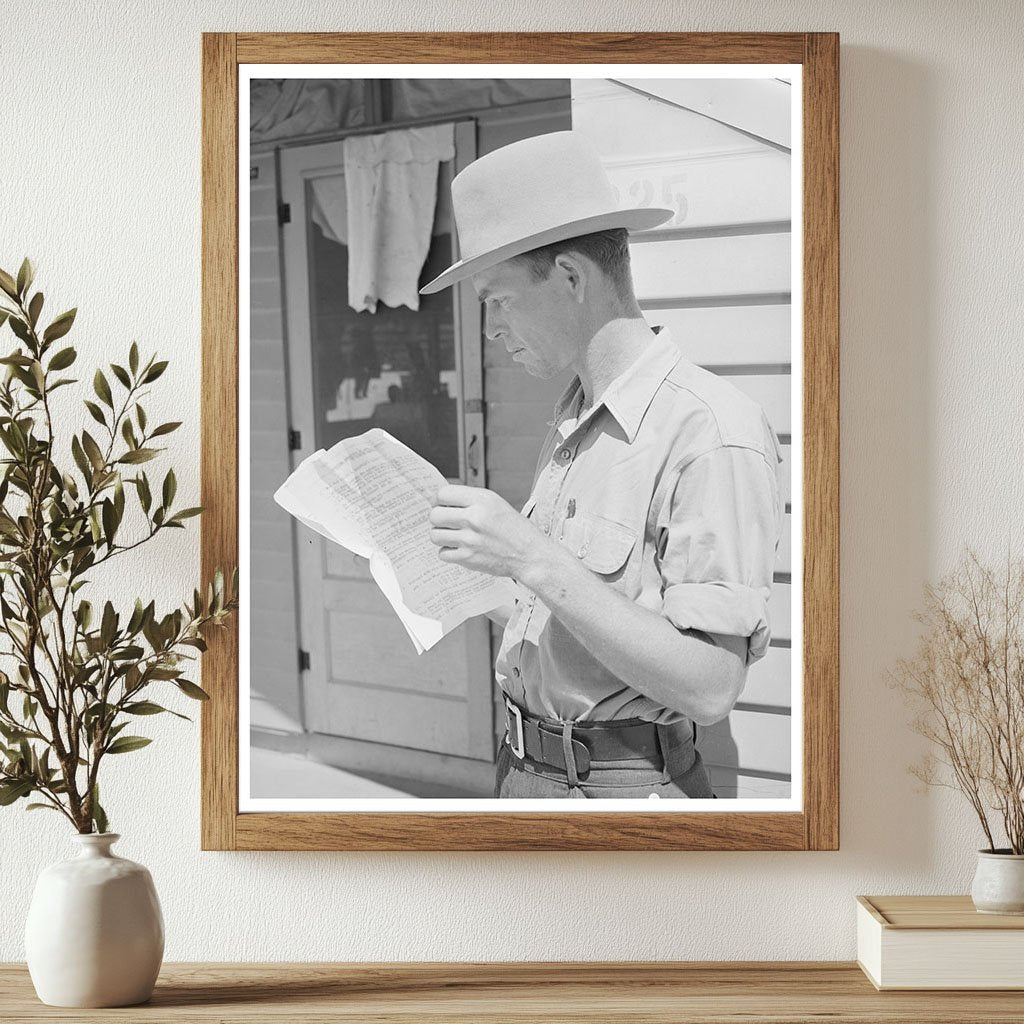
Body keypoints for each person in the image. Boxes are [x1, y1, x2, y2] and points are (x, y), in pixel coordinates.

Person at [419, 131, 784, 799]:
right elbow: (580, 622)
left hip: (621, 798)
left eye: (497, 302)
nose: (491, 330)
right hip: (524, 777)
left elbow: (710, 685)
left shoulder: (711, 431)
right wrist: (461, 570)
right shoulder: (574, 418)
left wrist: (531, 555)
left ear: (569, 277)